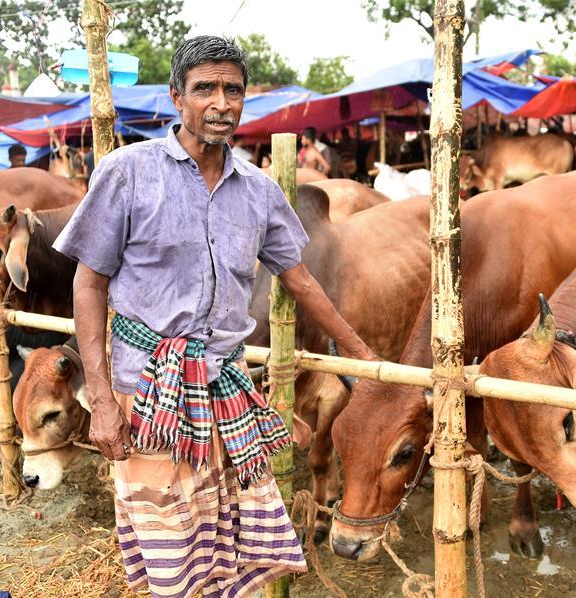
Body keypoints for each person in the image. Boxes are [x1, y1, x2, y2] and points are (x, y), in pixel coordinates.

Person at [53, 36, 379, 596]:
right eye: (205, 88)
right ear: (177, 97)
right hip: (147, 396)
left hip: (226, 392)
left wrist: (364, 357)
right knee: (171, 549)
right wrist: (101, 401)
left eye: (233, 90)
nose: (221, 103)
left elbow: (300, 280)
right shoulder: (128, 172)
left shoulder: (259, 191)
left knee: (235, 545)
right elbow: (89, 282)